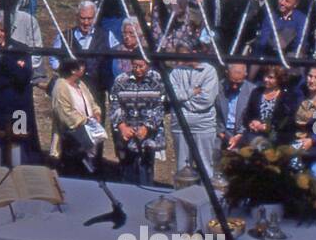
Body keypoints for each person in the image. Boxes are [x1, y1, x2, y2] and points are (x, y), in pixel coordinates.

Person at [0, 14, 41, 159]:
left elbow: (24, 77)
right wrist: (8, 78)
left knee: (19, 146)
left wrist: (7, 67)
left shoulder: (21, 49)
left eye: (2, 30)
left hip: (19, 108)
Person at [108, 57, 165, 186]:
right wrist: (122, 126)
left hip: (148, 134)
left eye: (141, 66)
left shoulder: (157, 80)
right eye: (134, 66)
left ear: (148, 64)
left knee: (146, 170)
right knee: (127, 170)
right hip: (126, 132)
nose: (137, 69)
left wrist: (147, 127)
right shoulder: (121, 80)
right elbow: (114, 104)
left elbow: (160, 106)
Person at [167, 45, 221, 172]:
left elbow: (206, 100)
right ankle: (183, 191)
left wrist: (184, 101)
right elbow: (171, 95)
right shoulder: (175, 72)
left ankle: (205, 191)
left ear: (194, 52)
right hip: (180, 124)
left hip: (204, 125)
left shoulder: (209, 71)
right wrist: (192, 92)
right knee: (183, 167)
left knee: (206, 166)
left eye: (184, 55)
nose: (181, 61)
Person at [49, 58, 104, 177]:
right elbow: (65, 114)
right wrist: (86, 120)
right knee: (73, 170)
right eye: (81, 66)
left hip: (88, 133)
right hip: (71, 137)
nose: (84, 68)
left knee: (89, 170)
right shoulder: (60, 87)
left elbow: (91, 102)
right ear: (73, 70)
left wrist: (96, 113)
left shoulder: (80, 84)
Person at [49, 0, 109, 94]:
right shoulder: (65, 36)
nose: (86, 22)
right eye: (82, 18)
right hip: (70, 90)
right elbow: (53, 59)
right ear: (77, 17)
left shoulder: (106, 35)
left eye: (90, 19)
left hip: (96, 90)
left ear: (95, 18)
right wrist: (65, 69)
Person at [215, 62, 255, 154]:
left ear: (245, 75)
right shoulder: (217, 87)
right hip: (220, 132)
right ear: (226, 73)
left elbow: (253, 117)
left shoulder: (252, 91)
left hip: (243, 132)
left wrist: (240, 135)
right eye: (232, 82)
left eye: (238, 83)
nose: (234, 86)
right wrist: (222, 134)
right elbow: (212, 115)